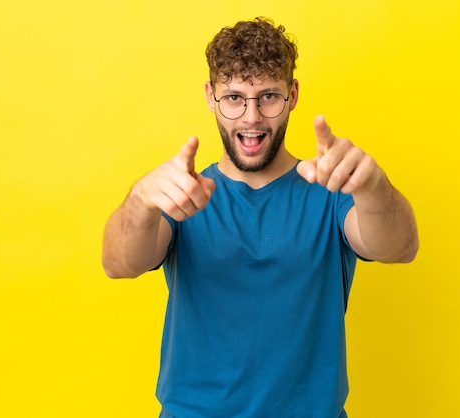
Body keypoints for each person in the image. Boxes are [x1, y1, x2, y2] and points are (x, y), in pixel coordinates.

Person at [102, 17, 418, 418]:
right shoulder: (183, 194)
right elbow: (118, 264)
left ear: (293, 94)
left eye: (268, 96)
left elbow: (400, 248)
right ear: (210, 96)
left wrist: (373, 187)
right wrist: (140, 200)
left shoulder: (331, 193)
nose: (251, 117)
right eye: (234, 97)